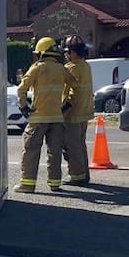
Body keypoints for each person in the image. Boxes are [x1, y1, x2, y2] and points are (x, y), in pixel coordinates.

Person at [15, 37, 76, 193]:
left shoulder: (37, 68)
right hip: (57, 118)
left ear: (41, 53)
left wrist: (24, 108)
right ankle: (55, 183)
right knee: (54, 152)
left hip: (38, 118)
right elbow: (75, 85)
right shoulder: (62, 69)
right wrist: (67, 103)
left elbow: (21, 90)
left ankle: (27, 184)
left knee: (31, 150)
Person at [60, 35, 94, 186]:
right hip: (84, 113)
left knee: (72, 146)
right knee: (80, 145)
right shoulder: (85, 66)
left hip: (73, 114)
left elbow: (72, 94)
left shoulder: (72, 68)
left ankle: (76, 175)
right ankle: (84, 173)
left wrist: (62, 111)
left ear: (74, 52)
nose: (66, 55)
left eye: (67, 52)